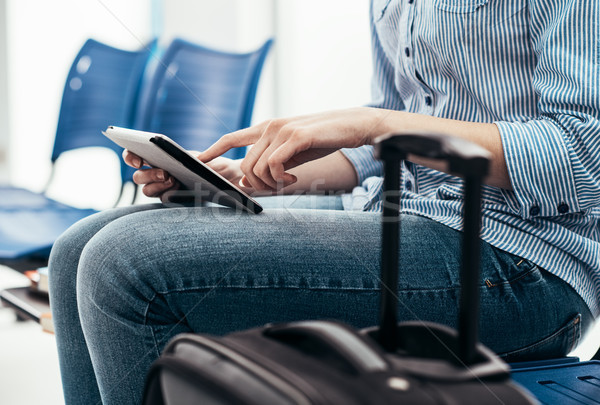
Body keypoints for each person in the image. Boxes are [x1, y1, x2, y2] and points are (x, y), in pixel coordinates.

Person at [49, 1, 599, 404]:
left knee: (125, 263)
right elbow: (386, 150)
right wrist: (254, 177)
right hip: (396, 209)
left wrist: (376, 125)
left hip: (521, 258)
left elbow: (583, 152)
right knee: (75, 249)